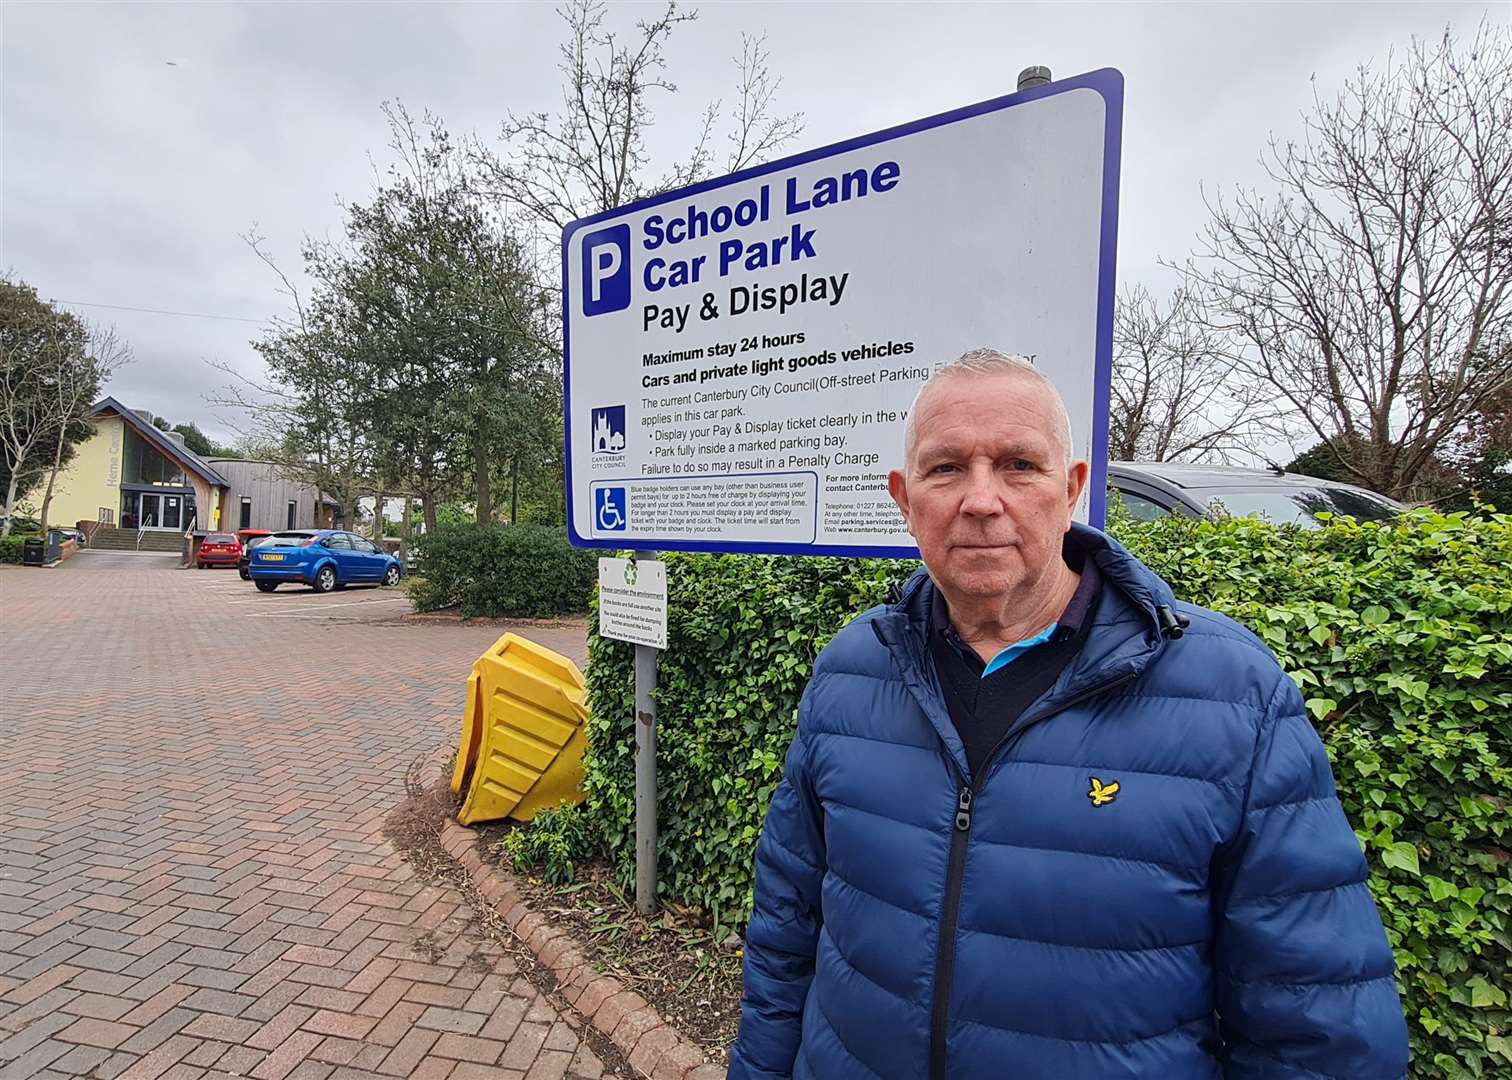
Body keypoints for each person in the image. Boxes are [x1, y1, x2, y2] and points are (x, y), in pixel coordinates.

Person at [727, 350, 1408, 1079]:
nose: (982, 500)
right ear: (905, 497)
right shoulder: (851, 668)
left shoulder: (1234, 693)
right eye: (946, 468)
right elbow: (786, 932)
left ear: (1073, 488)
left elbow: (1317, 1024)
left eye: (1019, 464)